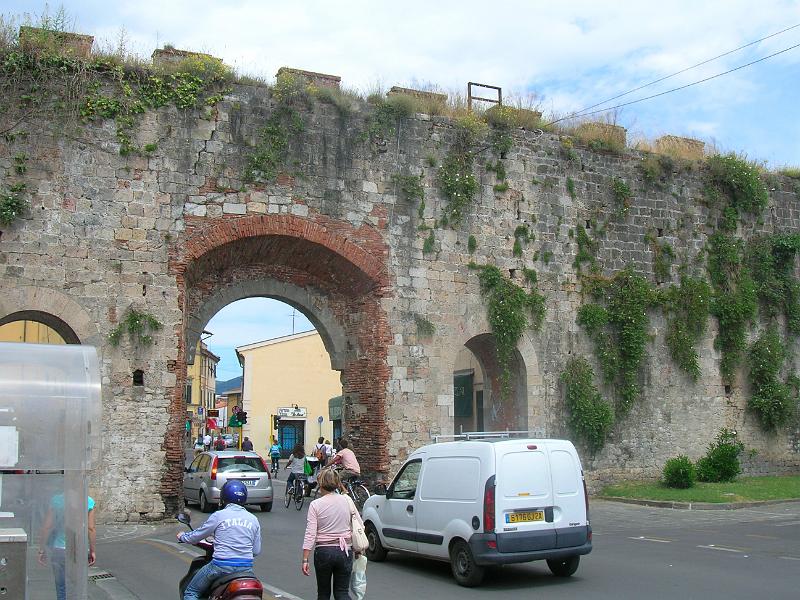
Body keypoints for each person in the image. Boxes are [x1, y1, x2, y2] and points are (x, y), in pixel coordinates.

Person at [177, 480, 261, 600]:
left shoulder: (219, 515)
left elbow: (197, 535)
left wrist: (183, 537)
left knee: (191, 592)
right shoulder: (253, 519)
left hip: (220, 566)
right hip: (246, 569)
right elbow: (256, 551)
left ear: (223, 497)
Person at [302, 468, 363, 599]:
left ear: (321, 483)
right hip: (344, 551)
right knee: (342, 592)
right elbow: (359, 524)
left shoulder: (315, 505)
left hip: (323, 551)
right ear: (337, 483)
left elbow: (310, 533)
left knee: (323, 593)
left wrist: (305, 559)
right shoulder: (347, 501)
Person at [38, 493, 96, 600]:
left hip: (58, 549)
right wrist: (92, 550)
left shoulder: (56, 500)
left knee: (61, 587)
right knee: (77, 586)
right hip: (78, 549)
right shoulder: (88, 501)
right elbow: (90, 528)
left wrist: (42, 549)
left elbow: (47, 527)